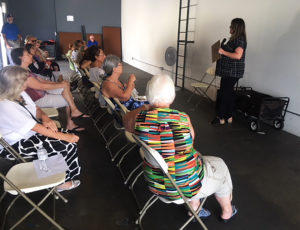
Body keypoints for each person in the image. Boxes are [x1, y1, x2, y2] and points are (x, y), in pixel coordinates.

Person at [123, 74, 237, 222]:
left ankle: (195, 206)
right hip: (185, 186)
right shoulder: (183, 118)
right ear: (172, 97)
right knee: (221, 166)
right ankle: (226, 211)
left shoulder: (139, 119)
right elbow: (191, 143)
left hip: (155, 183)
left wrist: (147, 105)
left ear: (149, 95)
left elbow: (125, 121)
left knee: (191, 162)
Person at [0, 66, 81, 191]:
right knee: (66, 144)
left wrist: (45, 118)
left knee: (65, 138)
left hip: (29, 134)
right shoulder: (5, 106)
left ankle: (55, 176)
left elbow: (36, 108)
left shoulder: (19, 93)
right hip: (15, 144)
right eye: (24, 81)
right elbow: (36, 128)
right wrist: (66, 137)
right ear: (14, 84)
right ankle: (60, 183)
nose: (27, 83)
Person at [11, 47, 89, 133]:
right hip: (38, 100)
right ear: (20, 57)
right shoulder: (21, 73)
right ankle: (71, 120)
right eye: (27, 54)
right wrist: (60, 84)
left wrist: (60, 84)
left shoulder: (26, 69)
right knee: (69, 99)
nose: (31, 56)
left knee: (65, 89)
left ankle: (73, 113)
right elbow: (41, 86)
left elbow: (42, 80)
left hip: (42, 93)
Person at [212, 18, 247, 125]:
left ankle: (221, 117)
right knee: (228, 94)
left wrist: (222, 51)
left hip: (232, 72)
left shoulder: (240, 39)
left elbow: (238, 55)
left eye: (231, 26)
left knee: (224, 94)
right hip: (229, 72)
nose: (229, 27)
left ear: (236, 27)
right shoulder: (234, 39)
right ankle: (228, 116)